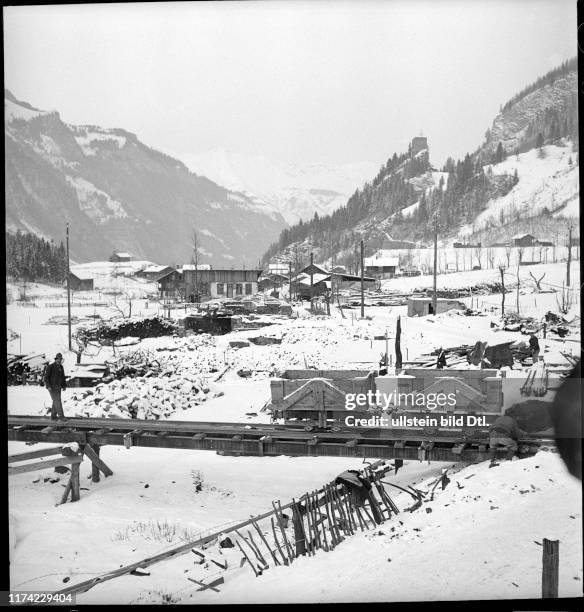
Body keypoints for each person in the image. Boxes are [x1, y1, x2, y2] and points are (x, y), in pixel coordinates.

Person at [44, 353, 67, 419]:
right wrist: (48, 386)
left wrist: (64, 385)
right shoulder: (50, 367)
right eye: (58, 359)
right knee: (57, 401)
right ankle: (61, 416)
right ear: (56, 359)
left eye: (60, 359)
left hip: (58, 387)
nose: (59, 360)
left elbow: (62, 377)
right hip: (52, 387)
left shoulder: (61, 367)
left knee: (55, 401)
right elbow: (46, 377)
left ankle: (53, 416)